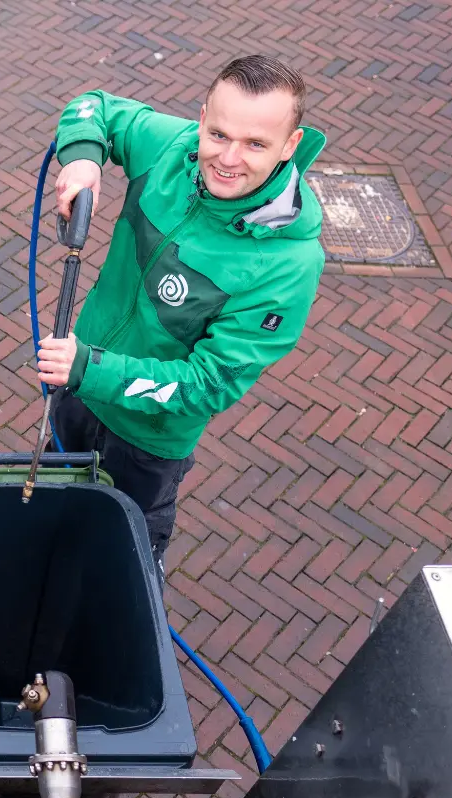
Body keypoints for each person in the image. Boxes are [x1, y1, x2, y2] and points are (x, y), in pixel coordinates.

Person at [35, 55, 326, 579]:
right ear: (201, 119)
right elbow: (94, 107)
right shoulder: (173, 148)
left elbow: (209, 385)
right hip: (75, 394)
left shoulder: (288, 265)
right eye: (218, 133)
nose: (228, 158)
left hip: (146, 443)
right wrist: (82, 159)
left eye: (256, 143)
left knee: (119, 569)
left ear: (290, 145)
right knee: (52, 519)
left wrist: (90, 369)